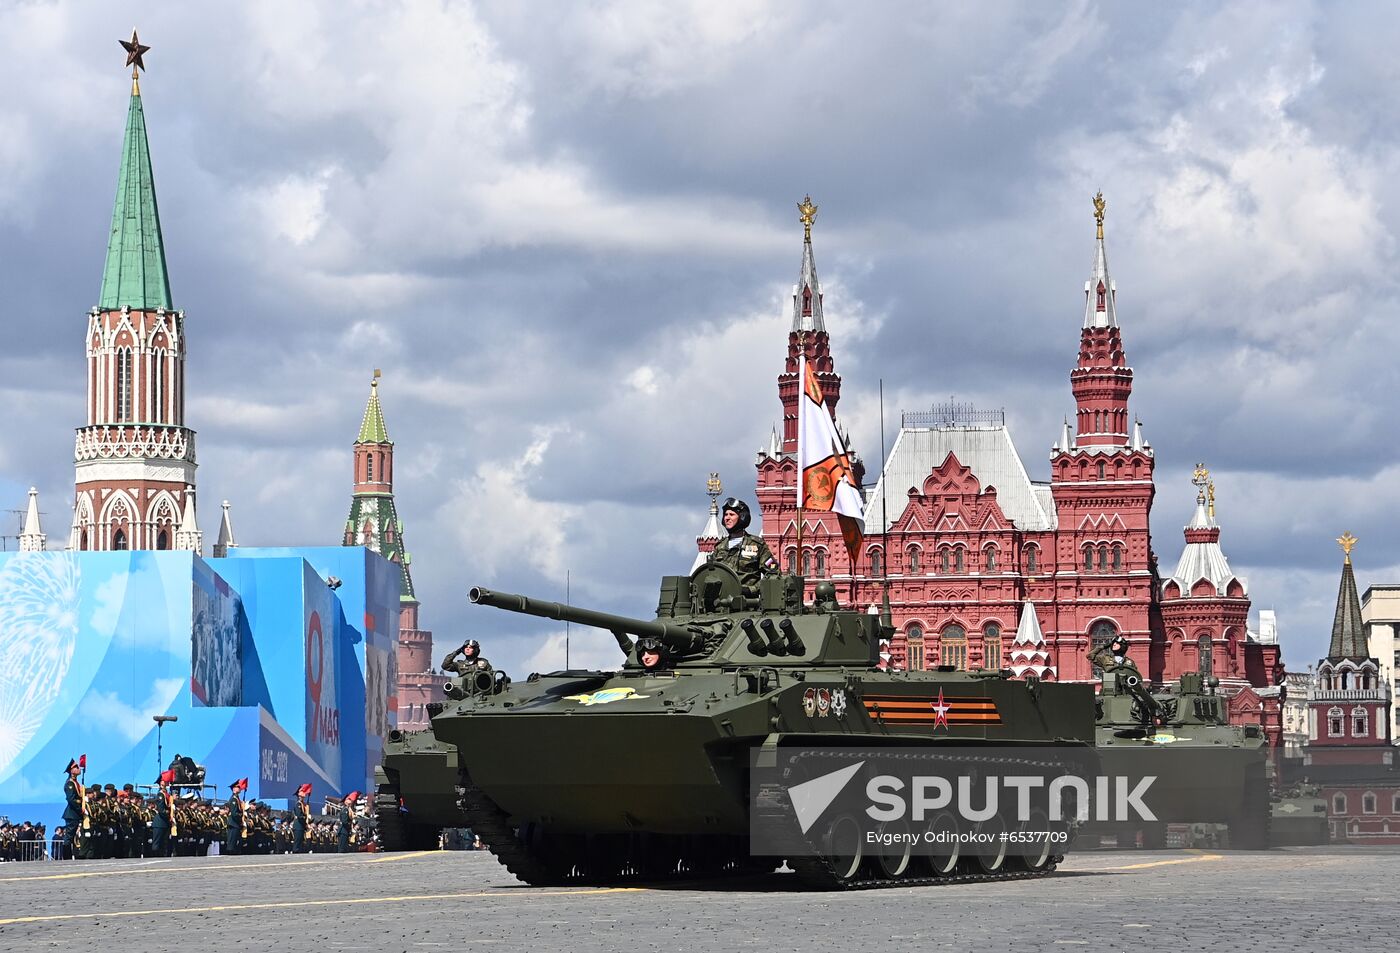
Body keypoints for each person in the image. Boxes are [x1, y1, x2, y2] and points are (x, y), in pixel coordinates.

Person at [705, 498, 777, 596]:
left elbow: (774, 573)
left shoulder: (756, 545)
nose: (727, 518)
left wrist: (752, 589)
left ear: (742, 517)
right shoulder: (720, 546)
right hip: (721, 603)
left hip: (748, 605)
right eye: (726, 515)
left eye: (731, 514)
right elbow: (710, 573)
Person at [61, 759, 86, 860]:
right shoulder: (70, 784)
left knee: (73, 836)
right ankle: (66, 857)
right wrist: (80, 809)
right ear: (71, 770)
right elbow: (71, 799)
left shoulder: (76, 782)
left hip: (76, 813)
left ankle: (72, 855)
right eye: (76, 767)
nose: (78, 769)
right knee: (69, 836)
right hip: (72, 813)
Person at [151, 771, 176, 857]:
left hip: (165, 823)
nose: (165, 783)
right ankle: (155, 857)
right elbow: (161, 809)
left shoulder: (167, 795)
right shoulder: (160, 795)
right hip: (160, 821)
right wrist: (169, 816)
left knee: (164, 843)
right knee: (157, 842)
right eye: (164, 782)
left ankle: (161, 857)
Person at [224, 779, 246, 856]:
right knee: (232, 845)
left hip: (236, 824)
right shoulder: (233, 799)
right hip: (233, 824)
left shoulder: (237, 799)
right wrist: (240, 819)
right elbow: (234, 813)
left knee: (236, 845)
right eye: (237, 787)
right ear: (234, 789)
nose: (239, 788)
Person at [292, 783, 313, 853]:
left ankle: (298, 851)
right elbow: (299, 815)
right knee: (297, 840)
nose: (302, 798)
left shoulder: (303, 805)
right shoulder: (298, 804)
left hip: (301, 825)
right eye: (301, 797)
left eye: (303, 797)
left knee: (301, 840)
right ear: (299, 797)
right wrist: (305, 817)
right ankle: (295, 851)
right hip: (298, 825)